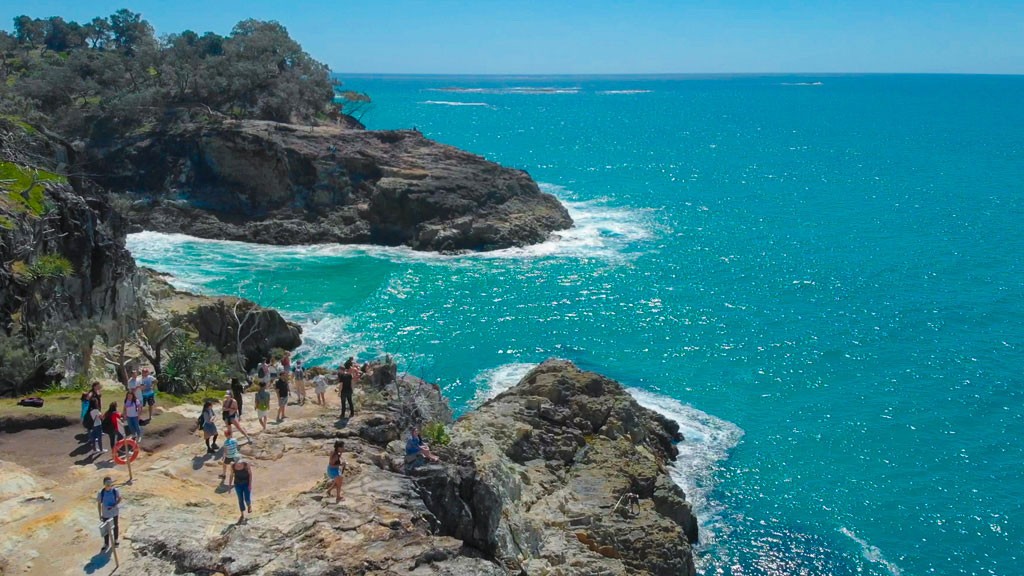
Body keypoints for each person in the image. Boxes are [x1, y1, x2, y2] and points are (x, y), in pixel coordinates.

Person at [97, 476, 122, 552]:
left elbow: (120, 498)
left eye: (110, 483)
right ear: (104, 484)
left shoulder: (115, 491)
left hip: (114, 512)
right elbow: (99, 504)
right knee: (106, 529)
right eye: (107, 483)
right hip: (105, 513)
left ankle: (116, 540)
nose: (108, 485)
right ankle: (106, 543)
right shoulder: (101, 493)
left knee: (115, 526)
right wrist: (100, 514)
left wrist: (115, 504)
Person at [229, 459, 253, 523]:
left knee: (247, 499)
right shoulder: (233, 465)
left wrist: (250, 485)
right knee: (240, 499)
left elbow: (250, 474)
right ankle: (242, 514)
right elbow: (231, 475)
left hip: (246, 484)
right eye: (237, 463)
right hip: (237, 484)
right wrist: (229, 485)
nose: (238, 465)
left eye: (240, 463)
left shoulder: (246, 464)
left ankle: (249, 506)